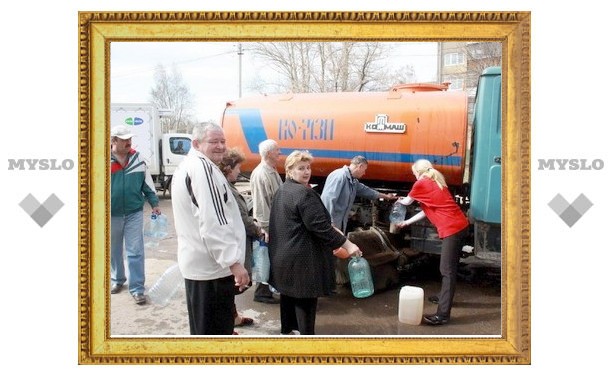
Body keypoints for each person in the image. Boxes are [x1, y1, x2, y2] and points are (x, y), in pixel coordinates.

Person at [268, 150, 362, 335]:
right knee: (305, 301)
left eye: (308, 167)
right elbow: (321, 228)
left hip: (284, 256)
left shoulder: (283, 190)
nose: (306, 171)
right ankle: (306, 344)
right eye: (300, 168)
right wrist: (348, 245)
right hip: (302, 259)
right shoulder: (304, 194)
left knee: (288, 298)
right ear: (289, 170)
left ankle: (287, 334)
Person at [171, 122, 250, 335]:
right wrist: (233, 262)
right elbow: (213, 220)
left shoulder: (190, 165)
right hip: (211, 271)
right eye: (214, 141)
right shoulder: (203, 168)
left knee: (204, 331)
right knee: (213, 334)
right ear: (196, 143)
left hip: (203, 267)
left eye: (223, 141)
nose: (221, 146)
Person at [395, 159, 469, 326]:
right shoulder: (435, 181)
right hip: (460, 226)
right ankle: (445, 297)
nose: (414, 175)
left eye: (414, 172)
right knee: (450, 269)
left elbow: (406, 202)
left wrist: (394, 199)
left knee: (446, 271)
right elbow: (426, 210)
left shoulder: (421, 183)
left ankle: (442, 315)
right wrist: (407, 223)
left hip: (452, 229)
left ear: (417, 172)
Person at [320, 155, 396, 283]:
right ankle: (322, 282)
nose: (364, 173)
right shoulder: (339, 177)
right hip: (331, 224)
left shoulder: (353, 181)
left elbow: (367, 191)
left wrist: (386, 196)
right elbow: (328, 200)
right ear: (359, 166)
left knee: (333, 253)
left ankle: (329, 282)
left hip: (338, 224)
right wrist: (329, 224)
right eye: (364, 170)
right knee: (325, 252)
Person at [110, 125, 161, 305]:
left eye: (129, 138)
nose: (128, 142)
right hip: (111, 214)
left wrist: (154, 203)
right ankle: (117, 280)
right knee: (114, 250)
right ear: (113, 140)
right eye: (123, 139)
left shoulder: (138, 159)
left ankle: (137, 288)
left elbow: (147, 184)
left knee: (135, 251)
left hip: (134, 212)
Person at [218, 147, 268, 328]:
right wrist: (258, 229)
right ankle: (226, 324)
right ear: (228, 168)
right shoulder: (226, 189)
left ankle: (233, 318)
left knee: (229, 285)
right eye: (238, 168)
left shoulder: (227, 185)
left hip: (235, 241)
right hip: (234, 243)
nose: (240, 171)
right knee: (231, 284)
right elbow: (241, 218)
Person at [249, 139, 282, 304]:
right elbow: (261, 205)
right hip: (268, 225)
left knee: (269, 258)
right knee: (265, 258)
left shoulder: (271, 170)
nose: (280, 153)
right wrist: (266, 229)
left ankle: (266, 290)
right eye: (278, 151)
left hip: (274, 223)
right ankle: (262, 293)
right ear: (269, 153)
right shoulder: (262, 173)